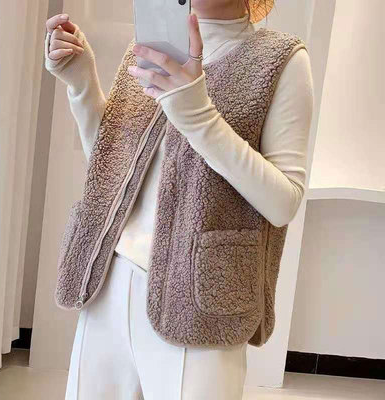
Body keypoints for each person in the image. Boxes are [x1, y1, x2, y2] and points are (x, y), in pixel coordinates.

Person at [44, 0, 313, 398]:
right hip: (109, 283)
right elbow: (111, 169)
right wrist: (81, 82)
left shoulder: (280, 60)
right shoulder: (153, 46)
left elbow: (283, 202)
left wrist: (197, 115)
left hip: (199, 298)